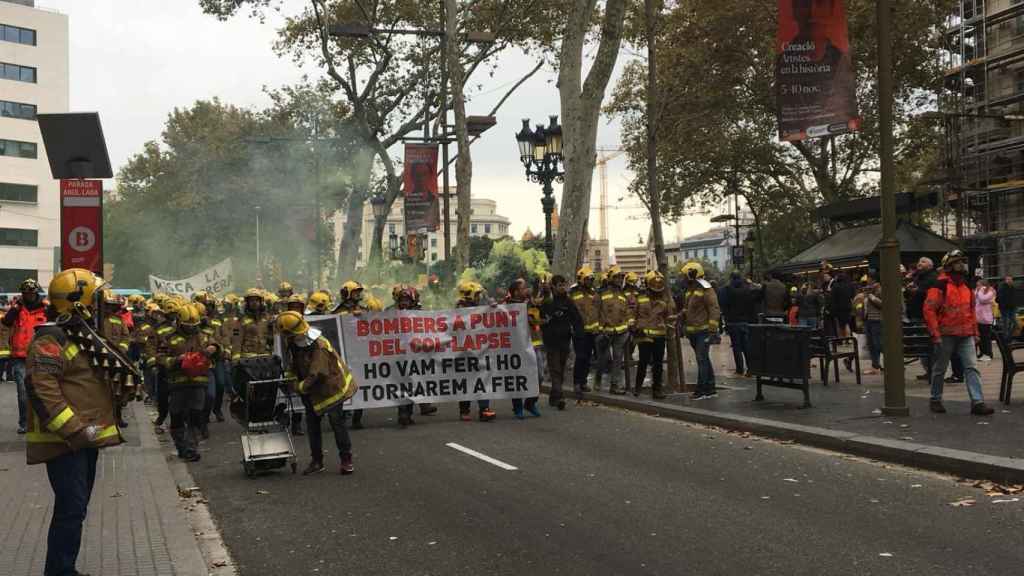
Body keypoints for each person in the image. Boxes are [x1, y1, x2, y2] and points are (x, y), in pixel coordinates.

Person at [25, 269, 135, 576]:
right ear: (79, 302)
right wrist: (75, 429)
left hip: (84, 439)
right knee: (71, 510)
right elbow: (42, 390)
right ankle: (59, 572)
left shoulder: (80, 336)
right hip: (66, 442)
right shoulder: (51, 340)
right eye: (95, 298)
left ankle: (63, 568)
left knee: (76, 509)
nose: (101, 305)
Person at [277, 311, 356, 475]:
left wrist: (298, 387)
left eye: (288, 333)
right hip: (311, 391)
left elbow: (317, 373)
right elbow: (293, 365)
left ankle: (346, 460)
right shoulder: (293, 343)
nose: (286, 337)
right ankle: (317, 461)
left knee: (337, 423)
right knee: (312, 425)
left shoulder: (319, 346)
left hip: (331, 389)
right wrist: (290, 378)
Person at [924, 250, 995, 416]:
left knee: (972, 368)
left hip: (965, 334)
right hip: (945, 334)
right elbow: (929, 310)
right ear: (949, 266)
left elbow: (971, 311)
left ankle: (977, 402)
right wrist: (936, 334)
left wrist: (975, 332)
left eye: (962, 262)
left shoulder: (966, 286)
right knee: (940, 368)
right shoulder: (939, 286)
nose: (961, 265)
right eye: (957, 262)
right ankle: (935, 399)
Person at [160, 303, 219, 461]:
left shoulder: (203, 336)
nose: (192, 329)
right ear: (179, 323)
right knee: (177, 416)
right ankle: (181, 447)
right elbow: (161, 358)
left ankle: (191, 448)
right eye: (188, 326)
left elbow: (215, 345)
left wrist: (214, 348)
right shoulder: (169, 338)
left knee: (195, 415)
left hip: (198, 383)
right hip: (177, 383)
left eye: (195, 326)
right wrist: (175, 360)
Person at [3, 278, 48, 434]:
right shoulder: (17, 309)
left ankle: (44, 421)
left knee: (42, 391)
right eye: (25, 293)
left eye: (31, 293)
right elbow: (7, 322)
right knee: (23, 392)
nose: (28, 296)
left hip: (40, 356)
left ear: (36, 294)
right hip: (19, 357)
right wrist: (15, 308)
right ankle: (24, 423)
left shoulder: (45, 309)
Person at [391, 285, 438, 425]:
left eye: (407, 299)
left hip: (417, 355)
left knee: (415, 382)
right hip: (399, 355)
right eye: (402, 299)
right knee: (404, 383)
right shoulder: (390, 313)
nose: (404, 302)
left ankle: (408, 413)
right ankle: (403, 413)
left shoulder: (421, 314)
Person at [455, 281, 498, 421]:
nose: (479, 297)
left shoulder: (480, 308)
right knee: (466, 380)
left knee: (483, 378)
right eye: (477, 294)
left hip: (480, 350)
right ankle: (464, 409)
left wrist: (493, 307)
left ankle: (484, 409)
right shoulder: (459, 308)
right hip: (464, 351)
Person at [680, 261, 720, 399]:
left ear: (692, 274)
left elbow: (714, 308)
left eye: (685, 275)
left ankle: (701, 390)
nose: (683, 278)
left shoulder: (706, 289)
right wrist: (680, 315)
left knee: (701, 359)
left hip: (703, 331)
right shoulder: (690, 290)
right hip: (693, 331)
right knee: (704, 359)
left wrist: (712, 329)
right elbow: (687, 308)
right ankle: (710, 388)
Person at [334, 281, 370, 428]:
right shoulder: (336, 311)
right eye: (355, 292)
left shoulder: (364, 309)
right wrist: (347, 315)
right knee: (343, 386)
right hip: (343, 353)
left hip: (359, 352)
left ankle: (357, 417)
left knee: (360, 384)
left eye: (358, 292)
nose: (358, 294)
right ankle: (341, 415)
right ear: (347, 293)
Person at [541, 275, 580, 410]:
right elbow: (541, 321)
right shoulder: (547, 303)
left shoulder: (569, 302)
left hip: (565, 340)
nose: (562, 287)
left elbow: (576, 319)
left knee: (561, 369)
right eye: (559, 285)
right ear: (553, 287)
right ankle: (560, 397)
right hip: (551, 342)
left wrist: (577, 332)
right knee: (555, 369)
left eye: (564, 285)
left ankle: (554, 396)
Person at [633, 271, 673, 399]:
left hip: (659, 337)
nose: (656, 289)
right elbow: (632, 314)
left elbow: (669, 316)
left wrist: (670, 322)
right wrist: (635, 328)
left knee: (658, 364)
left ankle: (657, 390)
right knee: (643, 362)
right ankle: (637, 388)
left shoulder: (664, 300)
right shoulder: (640, 298)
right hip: (644, 336)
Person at [506, 278, 542, 417]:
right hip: (516, 346)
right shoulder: (507, 306)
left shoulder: (530, 303)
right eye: (523, 288)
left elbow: (544, 301)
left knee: (539, 376)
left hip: (534, 343)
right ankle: (517, 407)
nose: (526, 290)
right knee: (518, 376)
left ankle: (530, 402)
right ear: (515, 292)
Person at [598, 266, 633, 395]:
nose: (620, 279)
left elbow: (627, 313)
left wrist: (628, 328)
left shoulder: (623, 295)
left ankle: (614, 385)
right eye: (617, 277)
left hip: (620, 334)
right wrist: (601, 330)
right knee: (603, 359)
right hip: (606, 333)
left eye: (621, 277)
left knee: (618, 360)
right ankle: (597, 381)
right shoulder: (602, 294)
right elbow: (598, 312)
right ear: (611, 278)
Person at [570, 266, 601, 399]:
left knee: (588, 358)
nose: (590, 281)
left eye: (591, 279)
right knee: (580, 357)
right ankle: (577, 383)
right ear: (582, 279)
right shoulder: (573, 293)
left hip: (592, 331)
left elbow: (598, 310)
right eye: (588, 279)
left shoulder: (594, 293)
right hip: (579, 331)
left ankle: (583, 382)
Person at [720, 272, 758, 376]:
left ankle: (739, 369)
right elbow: (752, 305)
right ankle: (750, 369)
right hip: (745, 321)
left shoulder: (727, 289)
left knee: (736, 346)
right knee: (746, 346)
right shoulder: (747, 289)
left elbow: (723, 304)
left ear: (731, 278)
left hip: (733, 322)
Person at [862, 274, 883, 375]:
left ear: (874, 280)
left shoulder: (880, 290)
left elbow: (883, 304)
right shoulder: (868, 290)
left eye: (868, 279)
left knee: (878, 344)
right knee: (871, 345)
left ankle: (892, 362)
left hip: (877, 319)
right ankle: (875, 366)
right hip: (868, 320)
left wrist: (871, 296)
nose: (867, 281)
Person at [975, 278, 996, 362]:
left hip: (985, 319)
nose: (977, 287)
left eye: (979, 285)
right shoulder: (980, 291)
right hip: (979, 318)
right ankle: (982, 352)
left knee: (985, 337)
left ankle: (988, 354)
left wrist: (979, 291)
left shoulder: (990, 292)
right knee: (980, 337)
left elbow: (982, 299)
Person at [829, 271, 855, 338]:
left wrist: (832, 310)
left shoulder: (835, 286)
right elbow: (853, 296)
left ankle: (841, 339)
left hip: (838, 309)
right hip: (848, 307)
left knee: (840, 325)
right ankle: (848, 338)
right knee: (847, 323)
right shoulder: (850, 285)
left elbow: (832, 299)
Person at [997, 275, 1017, 340]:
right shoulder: (1002, 288)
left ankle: (1008, 336)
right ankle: (1006, 337)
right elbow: (999, 298)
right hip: (1005, 308)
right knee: (1006, 323)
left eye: (1011, 279)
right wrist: (1003, 305)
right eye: (1008, 279)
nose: (1009, 280)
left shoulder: (1013, 287)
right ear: (1005, 280)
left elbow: (1014, 297)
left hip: (1012, 307)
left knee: (1014, 323)